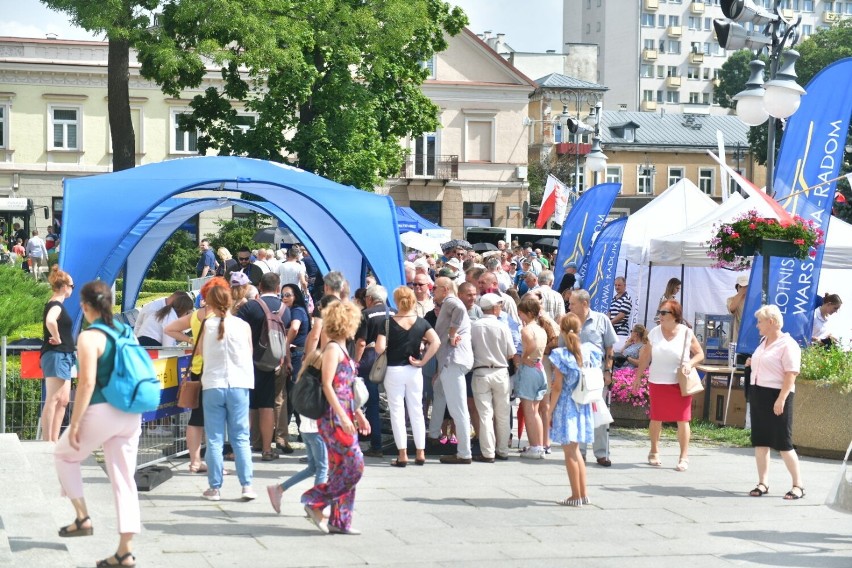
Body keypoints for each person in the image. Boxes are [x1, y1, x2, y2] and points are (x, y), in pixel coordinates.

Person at [54, 281, 142, 568]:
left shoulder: (89, 337)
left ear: (86, 306)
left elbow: (87, 382)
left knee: (64, 455)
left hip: (104, 408)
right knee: (124, 479)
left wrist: (76, 422)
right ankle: (124, 551)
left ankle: (82, 516)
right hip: (132, 411)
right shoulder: (125, 329)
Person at [302, 300, 371, 535]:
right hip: (334, 417)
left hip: (343, 413)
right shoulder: (333, 349)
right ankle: (315, 501)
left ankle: (341, 521)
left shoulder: (341, 349)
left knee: (342, 468)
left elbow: (345, 388)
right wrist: (343, 415)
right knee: (355, 465)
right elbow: (328, 385)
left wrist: (358, 414)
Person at [196, 284, 257, 502]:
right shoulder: (243, 325)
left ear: (210, 303)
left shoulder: (207, 325)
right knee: (241, 437)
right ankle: (247, 485)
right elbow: (249, 352)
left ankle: (214, 488)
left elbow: (202, 351)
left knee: (214, 438)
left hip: (213, 383)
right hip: (239, 383)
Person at [164, 277, 231, 474]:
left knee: (197, 417)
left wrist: (190, 341)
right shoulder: (218, 317)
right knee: (216, 417)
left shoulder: (196, 315)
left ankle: (195, 461)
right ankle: (214, 462)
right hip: (214, 369)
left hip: (196, 369)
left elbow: (169, 329)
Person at [634, 299, 704, 472]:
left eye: (664, 313)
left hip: (679, 382)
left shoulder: (686, 333)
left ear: (675, 315)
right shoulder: (654, 333)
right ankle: (654, 451)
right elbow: (645, 357)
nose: (660, 316)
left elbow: (700, 354)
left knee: (683, 419)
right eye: (660, 312)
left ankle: (683, 456)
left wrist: (690, 363)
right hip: (658, 381)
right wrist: (638, 376)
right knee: (656, 418)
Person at [374, 286, 440, 467]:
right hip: (414, 370)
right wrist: (423, 361)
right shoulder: (421, 322)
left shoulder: (387, 323)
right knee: (417, 410)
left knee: (396, 411)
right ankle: (420, 452)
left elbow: (379, 348)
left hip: (394, 370)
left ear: (396, 301)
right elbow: (436, 341)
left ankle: (402, 453)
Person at [746, 304, 804, 500]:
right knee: (761, 441)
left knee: (784, 443)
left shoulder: (788, 344)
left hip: (777, 395)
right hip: (759, 394)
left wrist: (781, 399)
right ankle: (763, 482)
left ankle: (798, 485)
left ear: (771, 322)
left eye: (760, 322)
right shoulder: (764, 342)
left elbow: (791, 374)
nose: (757, 325)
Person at [236, 272, 291, 461]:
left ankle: (245, 446)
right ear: (278, 288)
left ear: (260, 286)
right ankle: (267, 449)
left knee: (248, 405)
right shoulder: (285, 309)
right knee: (267, 405)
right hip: (273, 362)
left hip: (248, 362)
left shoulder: (251, 306)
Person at [266, 351, 328, 514]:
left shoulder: (303, 379)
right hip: (316, 429)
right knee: (322, 467)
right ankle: (316, 505)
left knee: (313, 468)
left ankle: (279, 489)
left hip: (306, 429)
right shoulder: (320, 382)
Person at [548, 313, 595, 507]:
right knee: (576, 452)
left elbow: (557, 387)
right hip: (582, 404)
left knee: (570, 453)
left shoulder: (561, 355)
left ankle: (576, 495)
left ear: (562, 330)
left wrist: (550, 410)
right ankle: (582, 493)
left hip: (566, 405)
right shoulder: (587, 352)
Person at [427, 276, 475, 465]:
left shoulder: (450, 301)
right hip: (450, 361)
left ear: (445, 289)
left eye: (436, 288)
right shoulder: (449, 302)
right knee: (440, 392)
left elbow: (460, 309)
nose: (433, 290)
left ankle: (464, 452)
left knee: (458, 408)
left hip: (454, 360)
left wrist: (452, 334)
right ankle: (433, 433)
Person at [569, 289, 617, 467]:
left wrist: (608, 370)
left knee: (599, 412)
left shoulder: (601, 320)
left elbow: (609, 347)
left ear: (585, 303)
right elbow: (562, 347)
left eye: (573, 303)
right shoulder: (569, 321)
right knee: (579, 413)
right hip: (575, 375)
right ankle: (580, 452)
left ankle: (602, 453)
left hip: (595, 375)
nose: (570, 306)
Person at [469, 293, 515, 462]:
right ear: (495, 308)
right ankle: (502, 450)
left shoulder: (474, 326)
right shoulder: (503, 326)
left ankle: (488, 452)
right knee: (502, 413)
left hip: (481, 371)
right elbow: (511, 353)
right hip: (500, 371)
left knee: (485, 414)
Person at [40, 266, 76, 442]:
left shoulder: (56, 304)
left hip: (64, 355)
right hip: (57, 354)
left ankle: (53, 440)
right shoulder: (56, 305)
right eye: (72, 286)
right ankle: (48, 442)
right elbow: (50, 320)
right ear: (64, 287)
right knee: (54, 399)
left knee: (63, 400)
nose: (72, 289)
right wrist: (57, 337)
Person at [515, 297, 554, 459]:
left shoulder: (527, 330)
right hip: (540, 368)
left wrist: (523, 358)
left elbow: (530, 345)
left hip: (530, 369)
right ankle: (539, 445)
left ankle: (535, 446)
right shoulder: (542, 329)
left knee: (529, 410)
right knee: (535, 410)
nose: (520, 317)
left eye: (521, 314)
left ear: (528, 313)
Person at [275, 283, 311, 452]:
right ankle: (296, 432)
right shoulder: (292, 310)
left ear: (295, 295)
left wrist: (286, 343)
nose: (284, 298)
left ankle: (291, 433)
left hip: (296, 355)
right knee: (292, 393)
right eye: (282, 295)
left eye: (288, 294)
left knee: (292, 394)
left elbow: (295, 328)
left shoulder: (297, 311)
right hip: (296, 354)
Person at [727, 273, 750, 344]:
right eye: (741, 286)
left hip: (749, 333)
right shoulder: (731, 299)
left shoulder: (752, 300)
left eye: (746, 286)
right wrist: (740, 293)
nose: (744, 288)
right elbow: (732, 309)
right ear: (737, 287)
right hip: (736, 333)